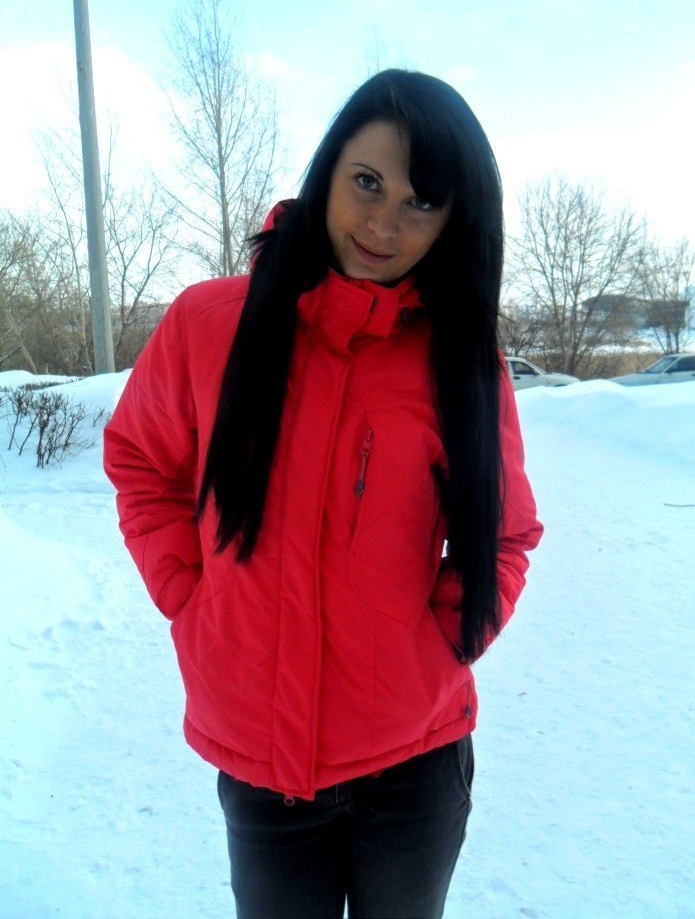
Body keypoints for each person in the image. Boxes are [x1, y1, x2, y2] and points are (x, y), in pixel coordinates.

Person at [103, 68, 542, 919]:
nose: (383, 224)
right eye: (367, 182)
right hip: (262, 766)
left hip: (413, 767)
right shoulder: (207, 324)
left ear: (454, 220)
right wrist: (190, 594)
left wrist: (443, 642)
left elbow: (504, 534)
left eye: (421, 203)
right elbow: (141, 461)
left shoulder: (460, 359)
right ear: (328, 169)